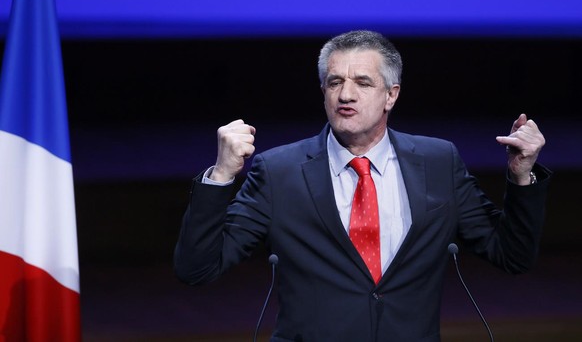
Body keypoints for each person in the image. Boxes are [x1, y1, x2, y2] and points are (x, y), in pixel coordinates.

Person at [174, 30, 551, 341]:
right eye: (334, 82)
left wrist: (521, 175)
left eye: (362, 82)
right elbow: (198, 269)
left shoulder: (438, 162)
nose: (345, 94)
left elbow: (512, 255)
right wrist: (221, 175)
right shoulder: (279, 171)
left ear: (391, 95)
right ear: (323, 91)